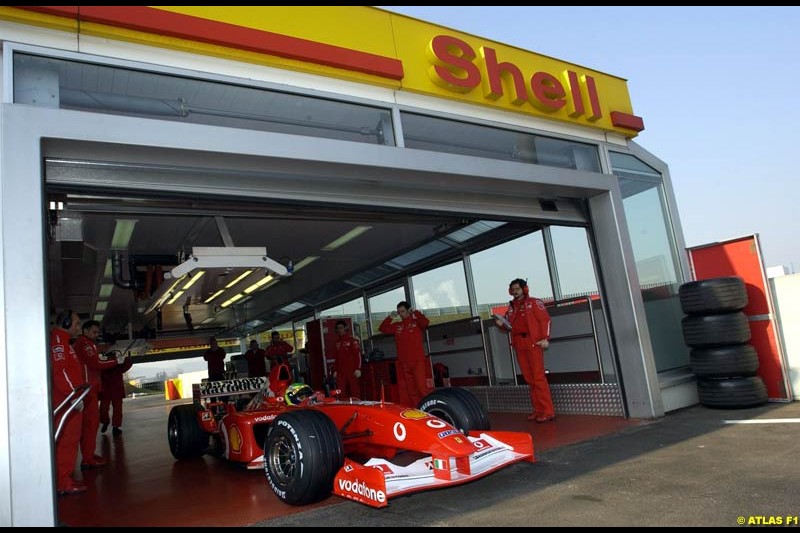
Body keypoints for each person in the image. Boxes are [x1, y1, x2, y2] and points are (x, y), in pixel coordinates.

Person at [495, 278, 554, 423]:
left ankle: (548, 411)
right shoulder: (511, 308)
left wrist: (546, 338)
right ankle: (538, 409)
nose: (515, 292)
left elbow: (545, 320)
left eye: (517, 289)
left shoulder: (534, 302)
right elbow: (509, 326)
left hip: (533, 343)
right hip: (518, 344)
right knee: (529, 379)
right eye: (513, 289)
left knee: (538, 377)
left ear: (524, 289)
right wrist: (501, 325)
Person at [51, 309, 87, 495]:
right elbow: (60, 372)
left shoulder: (64, 342)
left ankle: (65, 478)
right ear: (66, 323)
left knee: (70, 440)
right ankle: (63, 482)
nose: (79, 327)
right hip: (67, 401)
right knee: (67, 440)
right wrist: (73, 395)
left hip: (70, 400)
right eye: (77, 323)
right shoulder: (58, 342)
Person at [73, 319, 117, 468]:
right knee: (90, 425)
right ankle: (88, 458)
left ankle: (88, 455)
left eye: (98, 332)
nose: (96, 334)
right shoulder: (84, 344)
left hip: (88, 390)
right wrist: (115, 361)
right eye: (94, 331)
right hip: (87, 390)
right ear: (85, 331)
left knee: (90, 425)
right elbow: (95, 364)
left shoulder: (86, 344)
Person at [379, 301, 430, 406]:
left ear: (408, 311)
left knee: (422, 389)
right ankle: (417, 409)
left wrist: (416, 312)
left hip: (417, 361)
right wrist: (390, 317)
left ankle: (428, 409)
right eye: (399, 312)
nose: (401, 314)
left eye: (402, 311)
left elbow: (425, 323)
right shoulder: (397, 326)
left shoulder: (416, 323)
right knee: (411, 390)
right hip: (404, 363)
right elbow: (382, 328)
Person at [99, 351, 133, 436]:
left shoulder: (104, 366)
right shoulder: (117, 366)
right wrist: (127, 357)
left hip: (108, 392)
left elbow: (127, 365)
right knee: (110, 410)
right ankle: (113, 425)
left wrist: (127, 358)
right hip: (113, 391)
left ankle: (110, 424)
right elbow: (127, 365)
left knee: (105, 409)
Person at [331, 320, 362, 398]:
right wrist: (335, 370)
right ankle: (343, 407)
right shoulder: (337, 342)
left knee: (355, 391)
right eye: (338, 328)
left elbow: (358, 355)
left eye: (341, 328)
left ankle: (357, 407)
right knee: (340, 391)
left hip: (352, 370)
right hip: (340, 372)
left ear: (345, 328)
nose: (340, 330)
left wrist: (358, 368)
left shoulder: (352, 340)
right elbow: (336, 358)